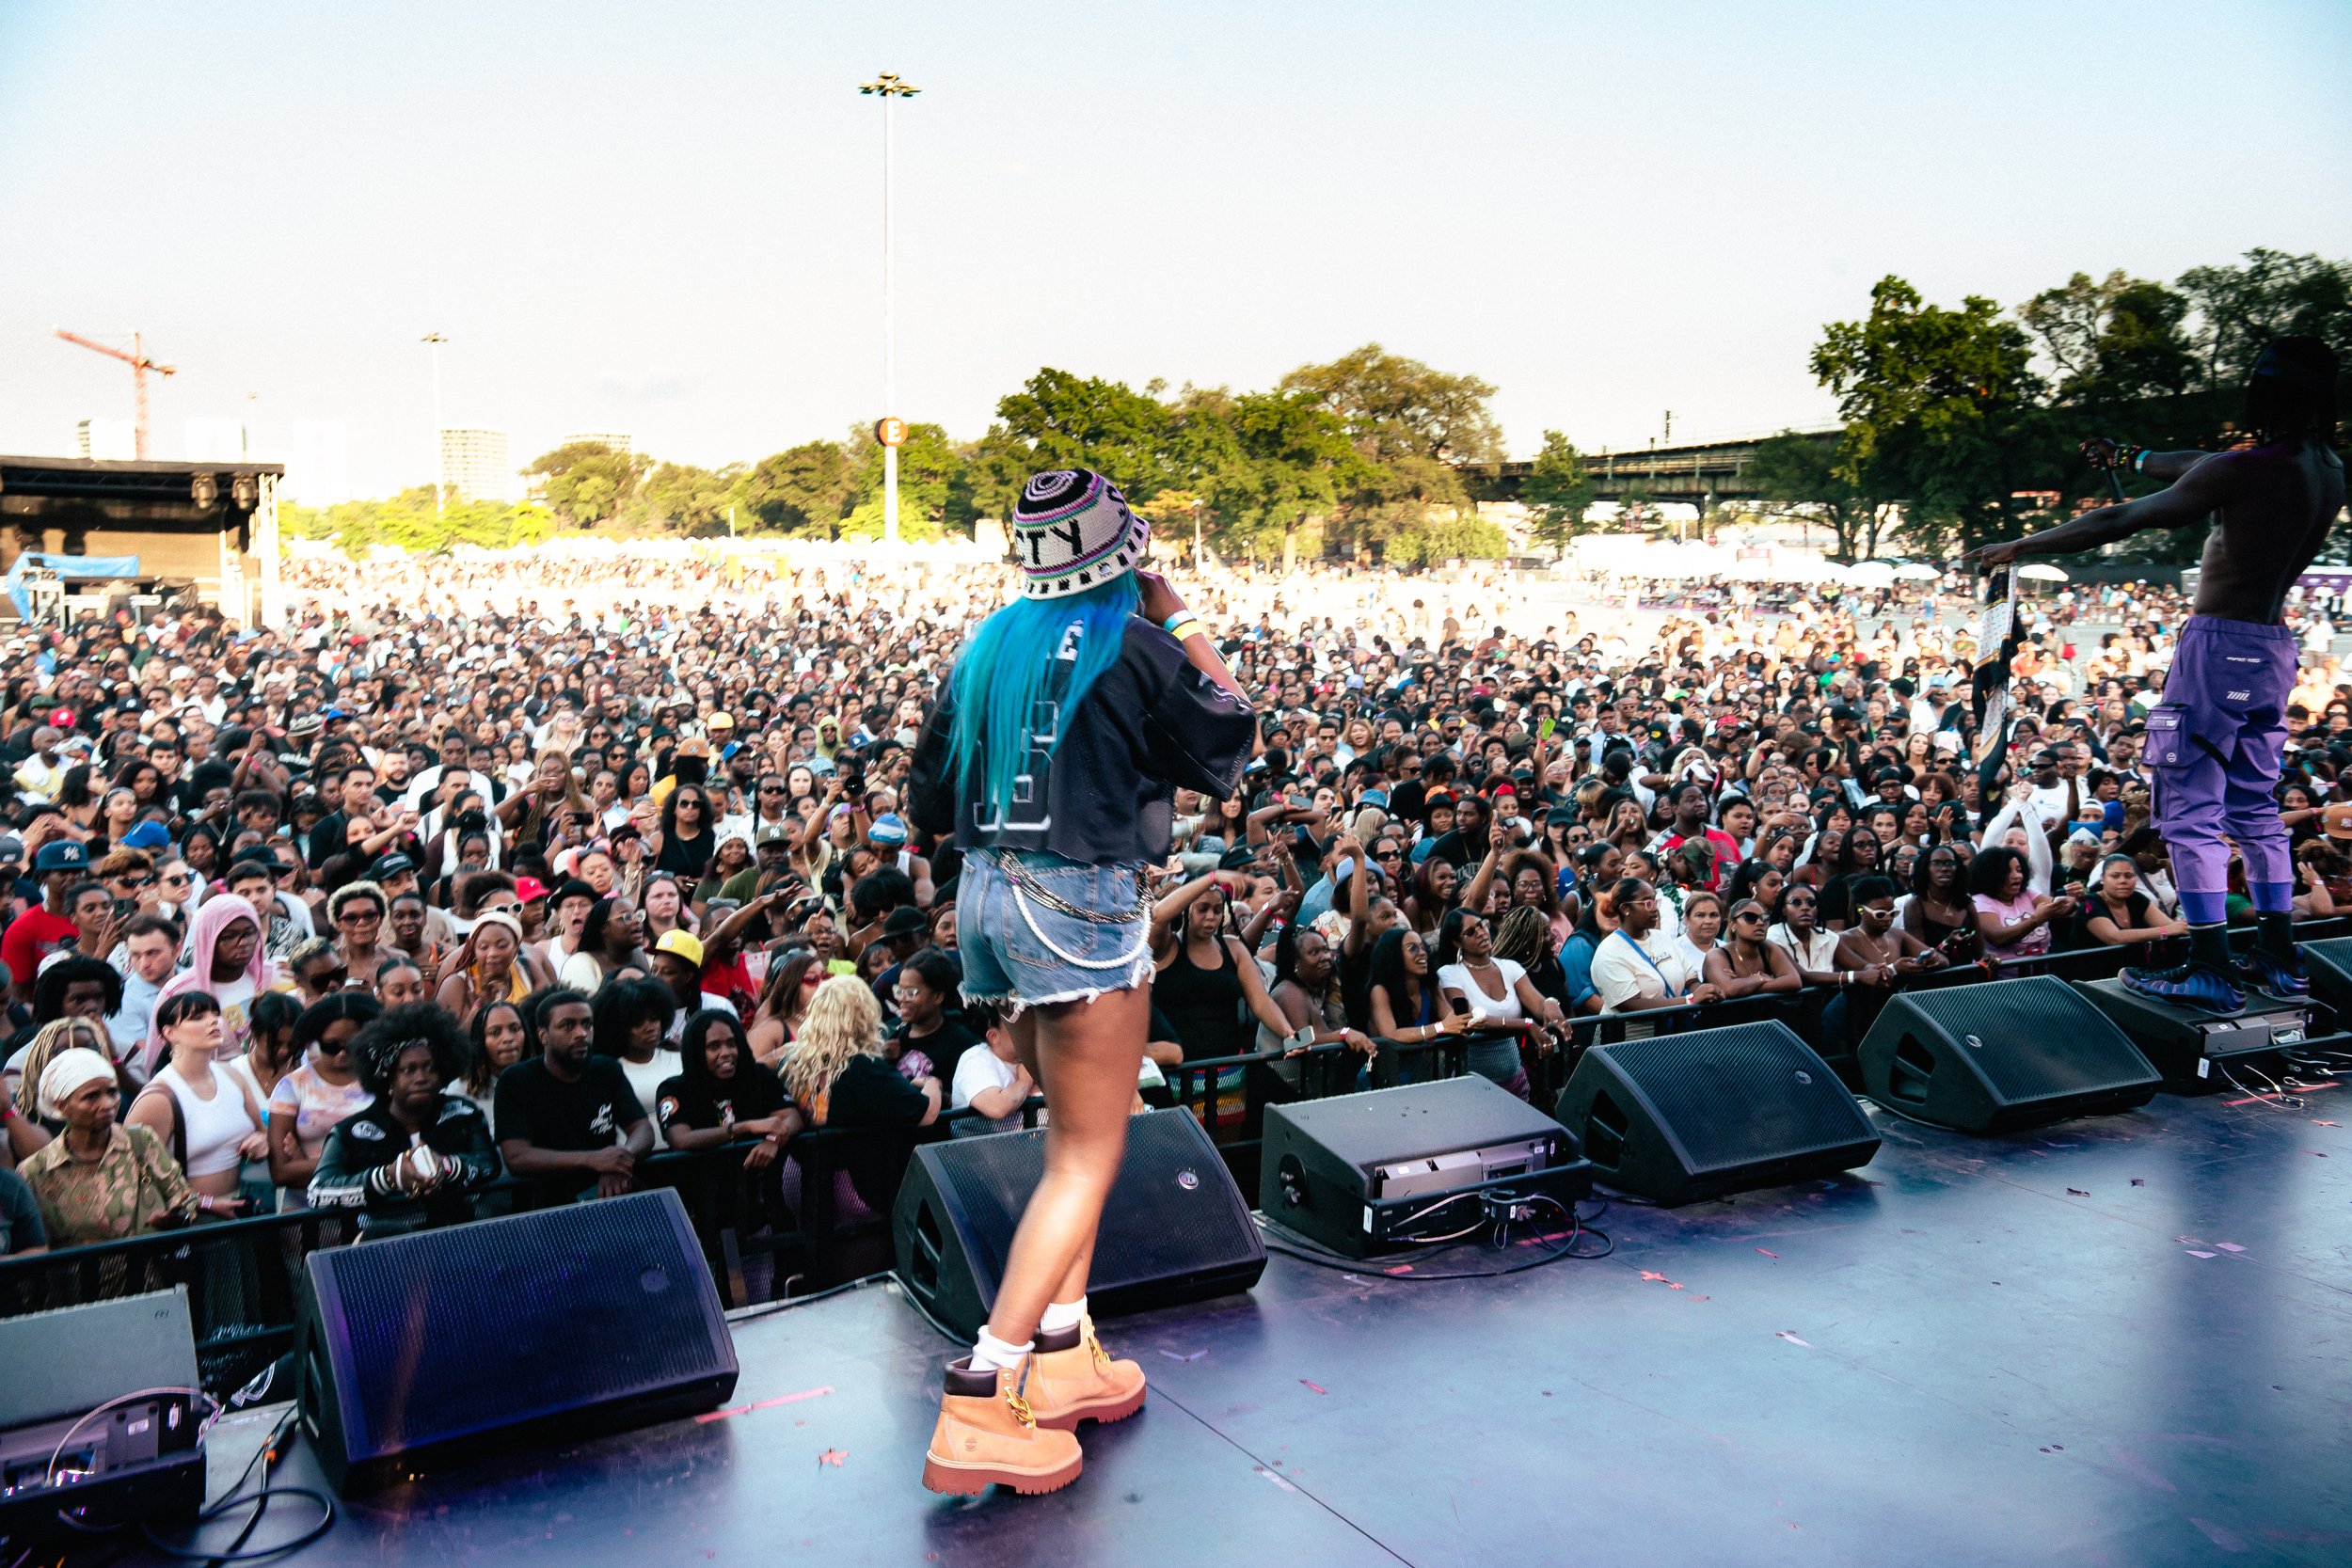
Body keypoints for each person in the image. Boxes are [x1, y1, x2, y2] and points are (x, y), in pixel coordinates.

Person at [905, 470, 1253, 1496]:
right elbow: (1231, 723)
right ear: (1125, 557)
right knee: (1086, 1153)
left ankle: (1062, 1353)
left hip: (983, 897)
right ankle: (983, 1391)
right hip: (1082, 899)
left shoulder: (987, 647)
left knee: (1070, 1141)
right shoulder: (1134, 641)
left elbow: (927, 792)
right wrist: (1178, 613)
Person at [1964, 337, 2344, 1012]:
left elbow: (2120, 517)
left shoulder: (2245, 468)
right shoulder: (2326, 469)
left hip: (2215, 650)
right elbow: (2201, 465)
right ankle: (2281, 959)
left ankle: (2208, 965)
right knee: (2256, 809)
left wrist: (2018, 546)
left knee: (2187, 809)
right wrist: (2133, 456)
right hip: (2272, 651)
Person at [309, 1002, 501, 1234]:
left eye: (430, 1068)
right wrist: (388, 1177)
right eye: (408, 1070)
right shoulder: (352, 1131)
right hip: (382, 1252)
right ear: (387, 1078)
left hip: (456, 1242)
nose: (421, 1077)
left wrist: (448, 1167)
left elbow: (489, 1164)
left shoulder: (462, 1113)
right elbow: (318, 1192)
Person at [20, 1046, 199, 1245]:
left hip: (147, 1272)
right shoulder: (36, 1171)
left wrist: (177, 1216)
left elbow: (183, 1195)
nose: (107, 1104)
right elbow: (31, 1243)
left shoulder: (140, 1141)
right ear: (63, 1106)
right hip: (77, 1276)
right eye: (92, 1096)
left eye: (112, 1092)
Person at [494, 987, 653, 1204]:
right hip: (544, 1207)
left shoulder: (606, 1069)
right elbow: (517, 1157)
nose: (581, 1033)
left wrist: (621, 1160)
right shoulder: (516, 1080)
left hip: (605, 1196)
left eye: (587, 1024)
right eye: (567, 1025)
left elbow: (642, 1129)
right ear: (543, 1035)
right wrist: (594, 1160)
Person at [125, 991, 264, 1218]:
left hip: (246, 1210)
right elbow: (136, 1176)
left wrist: (262, 1141)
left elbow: (262, 1131)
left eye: (216, 1014)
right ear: (169, 1033)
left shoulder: (232, 1076)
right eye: (198, 1017)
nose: (213, 1021)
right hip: (192, 1222)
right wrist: (204, 1204)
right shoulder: (158, 1098)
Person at [265, 992, 382, 1210]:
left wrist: (307, 1164)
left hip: (369, 1207)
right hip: (306, 1212)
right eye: (331, 1046)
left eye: (352, 1046)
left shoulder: (381, 1079)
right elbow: (281, 1172)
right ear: (316, 1041)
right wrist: (363, 1163)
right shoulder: (292, 1086)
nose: (341, 1054)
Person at [654, 1008, 800, 1166]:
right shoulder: (673, 1089)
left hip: (756, 1183)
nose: (726, 1052)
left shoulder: (758, 1075)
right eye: (714, 1047)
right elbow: (681, 1139)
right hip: (702, 1185)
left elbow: (793, 1117)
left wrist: (773, 1140)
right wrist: (745, 1127)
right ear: (696, 1052)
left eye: (731, 1043)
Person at [1589, 878, 1719, 1013]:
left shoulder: (1662, 938)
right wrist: (1689, 1000)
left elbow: (1691, 981)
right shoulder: (1609, 952)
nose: (1655, 909)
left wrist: (1707, 993)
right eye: (1647, 903)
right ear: (1625, 908)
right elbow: (1630, 1005)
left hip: (1674, 1029)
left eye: (1655, 901)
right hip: (1632, 1032)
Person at [948, 1000, 1033, 1136]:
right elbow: (996, 1107)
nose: (1029, 1029)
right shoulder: (975, 1059)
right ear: (993, 1036)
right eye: (1019, 1026)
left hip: (1030, 1147)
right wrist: (1024, 1081)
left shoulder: (1037, 1055)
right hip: (979, 1153)